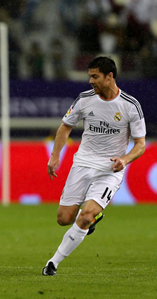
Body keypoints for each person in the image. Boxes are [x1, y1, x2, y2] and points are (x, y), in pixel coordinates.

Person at [43, 57, 146, 276]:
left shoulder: (130, 105)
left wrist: (125, 160)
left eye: (95, 76)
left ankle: (53, 263)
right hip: (82, 163)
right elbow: (65, 127)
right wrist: (55, 156)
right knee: (63, 219)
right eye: (90, 76)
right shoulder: (84, 99)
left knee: (85, 215)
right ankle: (93, 218)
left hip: (110, 169)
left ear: (110, 76)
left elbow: (140, 145)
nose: (90, 81)